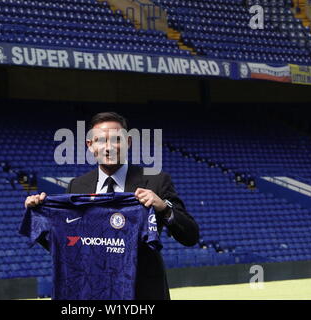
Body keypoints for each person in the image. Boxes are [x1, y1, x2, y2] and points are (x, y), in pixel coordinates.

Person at [25, 111, 199, 300]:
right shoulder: (77, 186)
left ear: (128, 142)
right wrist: (39, 215)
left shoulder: (156, 181)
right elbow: (67, 244)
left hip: (143, 293)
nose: (109, 147)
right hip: (93, 291)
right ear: (90, 146)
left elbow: (191, 236)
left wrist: (163, 208)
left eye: (116, 139)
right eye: (100, 140)